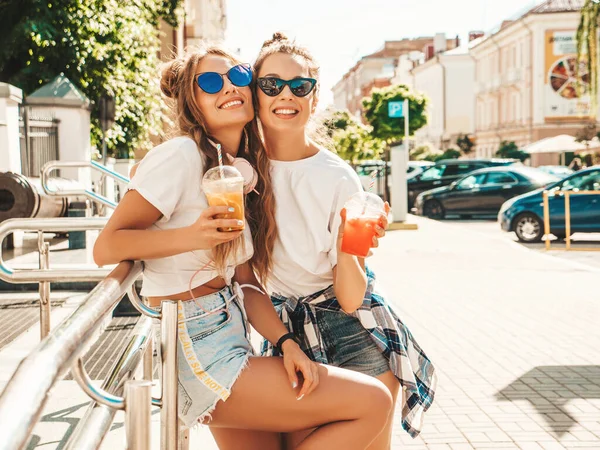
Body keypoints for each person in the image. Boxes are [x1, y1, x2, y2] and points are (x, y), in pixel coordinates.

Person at [94, 44, 392, 450]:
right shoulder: (180, 155)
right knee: (373, 402)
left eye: (237, 77)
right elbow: (107, 247)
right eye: (211, 82)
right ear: (192, 102)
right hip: (196, 345)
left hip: (233, 334)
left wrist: (285, 343)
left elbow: (248, 282)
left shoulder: (236, 172)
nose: (229, 87)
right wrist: (193, 236)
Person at [253, 33, 437, 449]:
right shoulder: (241, 171)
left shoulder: (338, 178)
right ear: (256, 94)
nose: (286, 94)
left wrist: (351, 249)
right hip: (289, 336)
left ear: (314, 98)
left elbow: (351, 296)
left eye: (300, 86)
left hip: (356, 334)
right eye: (271, 84)